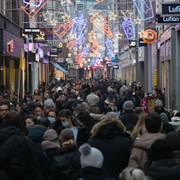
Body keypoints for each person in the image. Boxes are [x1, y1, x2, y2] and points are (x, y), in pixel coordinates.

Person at [0, 111, 43, 180]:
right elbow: (35, 161)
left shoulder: (3, 139)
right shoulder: (28, 142)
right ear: (19, 123)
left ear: (4, 122)